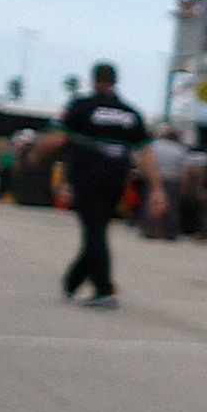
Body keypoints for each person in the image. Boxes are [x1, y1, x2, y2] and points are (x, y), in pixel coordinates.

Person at [53, 61, 140, 307]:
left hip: (87, 180)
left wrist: (37, 154)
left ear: (94, 80)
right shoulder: (130, 113)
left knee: (94, 232)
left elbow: (57, 136)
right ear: (115, 81)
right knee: (97, 230)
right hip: (115, 182)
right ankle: (73, 280)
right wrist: (156, 188)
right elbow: (145, 152)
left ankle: (104, 288)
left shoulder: (82, 107)